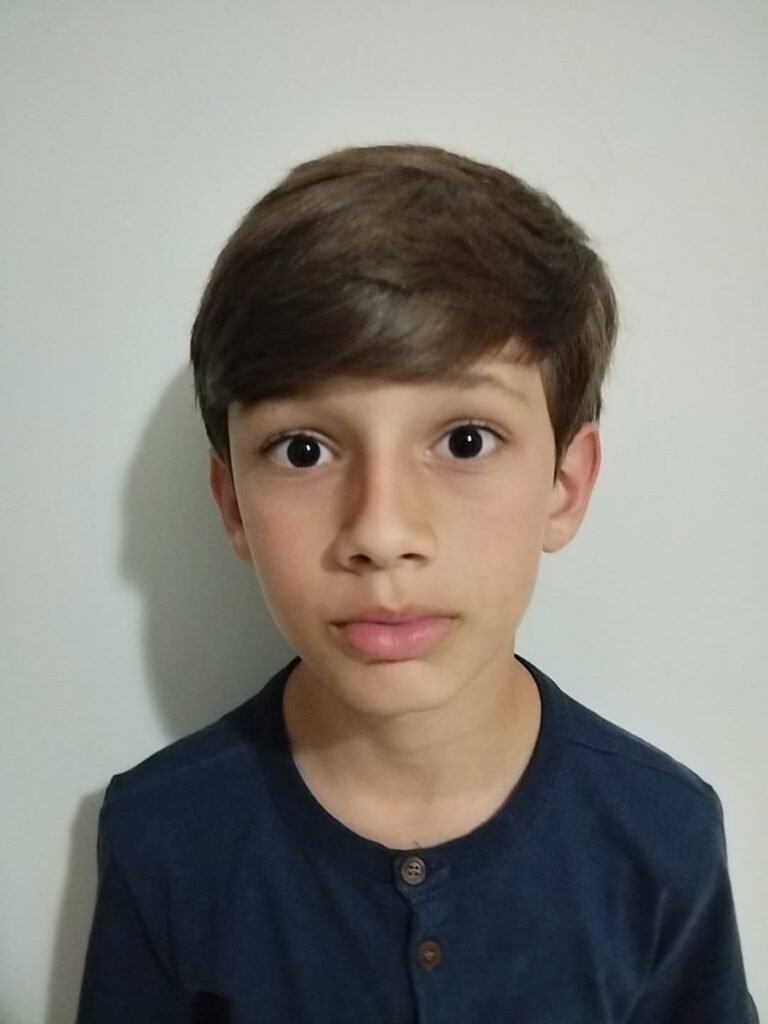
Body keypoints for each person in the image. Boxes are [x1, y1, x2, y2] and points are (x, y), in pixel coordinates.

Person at [76, 143, 759, 1023]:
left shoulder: (663, 834)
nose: (381, 532)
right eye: (303, 450)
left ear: (564, 484)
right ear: (233, 502)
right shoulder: (162, 835)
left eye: (466, 440)